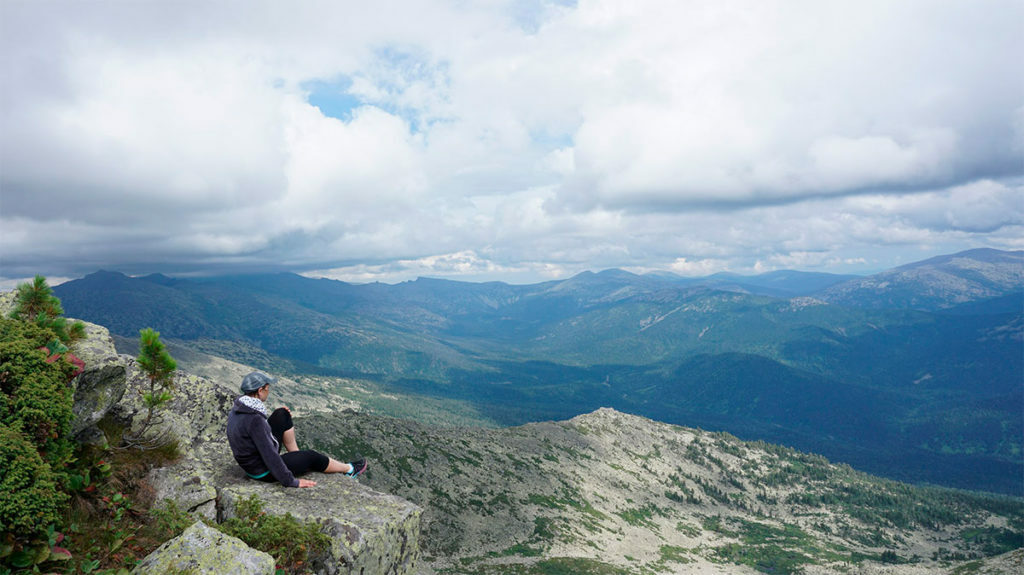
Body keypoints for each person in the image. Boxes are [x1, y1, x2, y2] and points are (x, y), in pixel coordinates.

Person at [226, 371, 367, 488]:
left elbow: (254, 436)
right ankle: (349, 469)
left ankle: (297, 457)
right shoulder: (255, 420)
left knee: (282, 414)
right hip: (263, 471)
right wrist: (291, 481)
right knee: (312, 456)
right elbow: (269, 455)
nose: (268, 392)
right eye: (268, 388)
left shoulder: (240, 407)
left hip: (253, 462)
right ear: (260, 390)